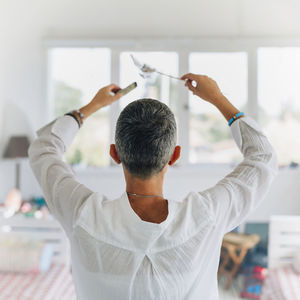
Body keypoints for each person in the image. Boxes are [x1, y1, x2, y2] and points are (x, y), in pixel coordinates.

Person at [28, 73, 278, 300]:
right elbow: (263, 157)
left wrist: (92, 107)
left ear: (114, 154)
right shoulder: (206, 215)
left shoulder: (81, 213)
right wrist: (217, 98)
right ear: (175, 156)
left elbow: (43, 148)